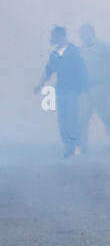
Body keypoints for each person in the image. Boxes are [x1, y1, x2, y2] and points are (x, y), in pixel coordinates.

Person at [33, 25, 89, 157]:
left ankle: (75, 146)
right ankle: (68, 146)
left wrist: (85, 89)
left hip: (73, 90)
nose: (52, 38)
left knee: (72, 118)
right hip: (61, 91)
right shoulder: (54, 54)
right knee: (63, 119)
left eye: (54, 36)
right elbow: (48, 71)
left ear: (61, 36)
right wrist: (39, 85)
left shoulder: (73, 51)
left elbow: (82, 70)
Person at [78, 24, 110, 153]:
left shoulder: (103, 48)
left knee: (105, 116)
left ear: (92, 33)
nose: (84, 35)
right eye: (82, 33)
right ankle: (83, 145)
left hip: (100, 88)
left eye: (86, 32)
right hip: (86, 89)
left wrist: (109, 83)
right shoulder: (80, 50)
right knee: (84, 118)